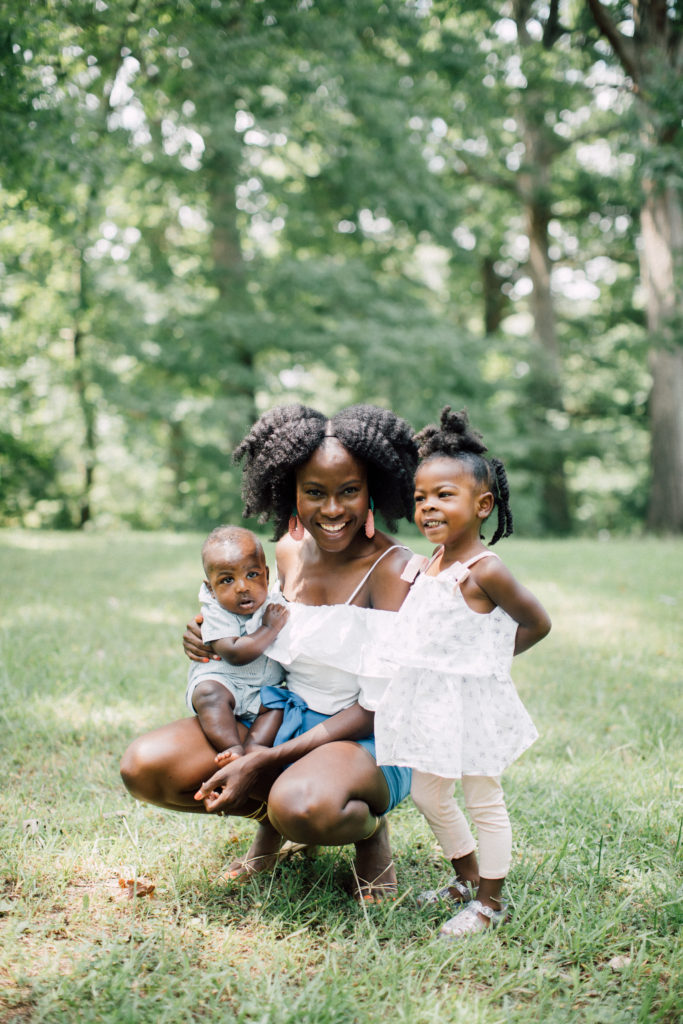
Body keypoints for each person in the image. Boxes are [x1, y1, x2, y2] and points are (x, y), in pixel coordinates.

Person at [120, 404, 418, 899]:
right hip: (283, 718)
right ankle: (274, 820)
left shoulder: (392, 569)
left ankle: (368, 831)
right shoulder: (284, 551)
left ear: (373, 490)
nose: (332, 510)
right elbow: (253, 619)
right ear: (289, 491)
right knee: (147, 766)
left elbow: (376, 710)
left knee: (302, 804)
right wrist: (205, 634)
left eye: (350, 491)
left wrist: (264, 759)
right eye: (314, 492)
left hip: (366, 738)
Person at [370, 406, 551, 938]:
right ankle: (466, 877)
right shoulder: (429, 563)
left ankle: (492, 902)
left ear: (483, 504)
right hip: (430, 704)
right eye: (421, 497)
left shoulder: (484, 569)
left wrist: (486, 662)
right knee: (428, 793)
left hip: (472, 703)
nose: (428, 507)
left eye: (444, 495)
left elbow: (537, 623)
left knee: (483, 796)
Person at [185, 524, 288, 764]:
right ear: (211, 588)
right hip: (225, 683)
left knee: (280, 703)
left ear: (267, 574)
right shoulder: (216, 611)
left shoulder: (275, 602)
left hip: (262, 691)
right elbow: (234, 653)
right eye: (227, 580)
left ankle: (255, 747)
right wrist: (270, 628)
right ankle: (232, 748)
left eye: (252, 575)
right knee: (209, 694)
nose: (242, 587)